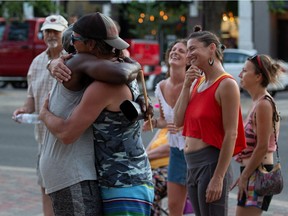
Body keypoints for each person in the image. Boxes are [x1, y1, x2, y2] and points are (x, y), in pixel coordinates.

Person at [39, 12, 154, 216]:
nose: (71, 47)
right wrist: (52, 63)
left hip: (122, 184)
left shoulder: (106, 81)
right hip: (128, 177)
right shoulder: (118, 68)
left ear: (90, 44)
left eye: (75, 40)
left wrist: (44, 113)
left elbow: (67, 133)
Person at [174, 25, 246, 216]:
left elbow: (232, 133)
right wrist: (186, 85)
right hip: (192, 165)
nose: (188, 55)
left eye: (192, 49)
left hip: (211, 166)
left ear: (211, 48)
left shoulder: (226, 84)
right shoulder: (197, 82)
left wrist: (218, 177)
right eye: (187, 49)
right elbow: (177, 120)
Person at [12, 14, 68, 216]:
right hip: (43, 139)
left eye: (56, 31)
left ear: (65, 33)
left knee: (65, 191)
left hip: (66, 139)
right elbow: (31, 98)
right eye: (48, 31)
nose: (51, 35)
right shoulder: (36, 62)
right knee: (45, 187)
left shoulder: (71, 60)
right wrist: (23, 110)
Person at [143, 39, 188, 216]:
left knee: (202, 206)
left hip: (195, 151)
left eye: (181, 51)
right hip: (176, 153)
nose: (175, 52)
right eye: (173, 49)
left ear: (189, 59)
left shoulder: (194, 84)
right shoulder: (161, 86)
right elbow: (164, 120)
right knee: (174, 208)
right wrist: (154, 123)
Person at [234, 54, 282, 216]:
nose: (240, 75)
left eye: (244, 71)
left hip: (257, 172)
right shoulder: (257, 103)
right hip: (252, 171)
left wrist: (245, 176)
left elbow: (262, 147)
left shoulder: (264, 105)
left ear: (258, 76)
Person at [146, 128, 170, 215]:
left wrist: (144, 156)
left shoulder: (178, 127)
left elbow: (170, 148)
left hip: (169, 169)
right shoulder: (162, 129)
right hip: (152, 170)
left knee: (149, 185)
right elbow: (148, 149)